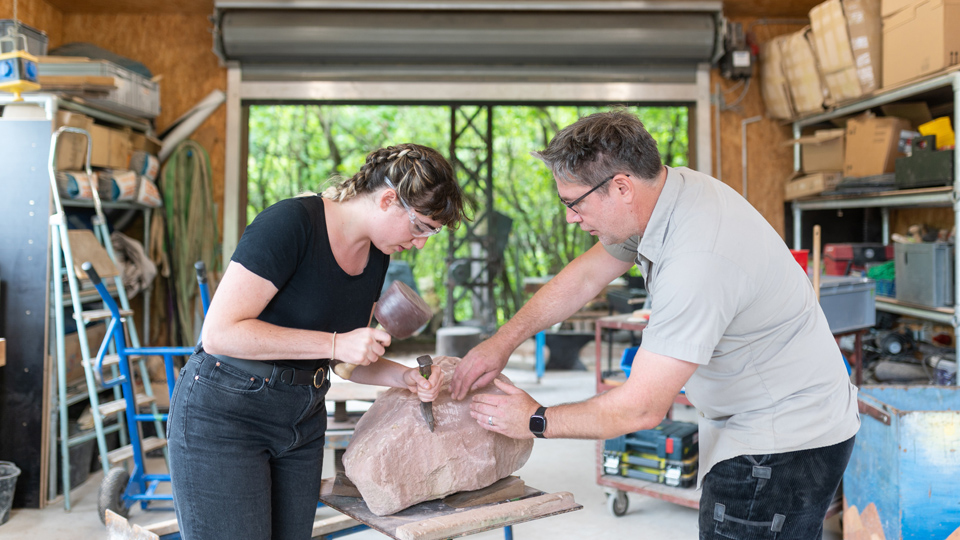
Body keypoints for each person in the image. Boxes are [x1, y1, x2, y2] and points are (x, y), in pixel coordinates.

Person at [451, 111, 859, 539]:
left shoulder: (698, 258)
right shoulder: (663, 194)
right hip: (773, 414)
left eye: (573, 202)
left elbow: (640, 408)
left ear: (621, 187)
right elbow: (584, 277)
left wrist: (535, 419)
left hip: (783, 443)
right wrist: (502, 342)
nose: (571, 216)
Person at [167, 143, 467, 540]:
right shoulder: (291, 223)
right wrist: (335, 343)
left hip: (302, 417)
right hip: (226, 414)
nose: (421, 243)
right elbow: (220, 333)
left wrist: (404, 377)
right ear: (388, 200)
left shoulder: (376, 255)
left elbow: (346, 360)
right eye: (420, 227)